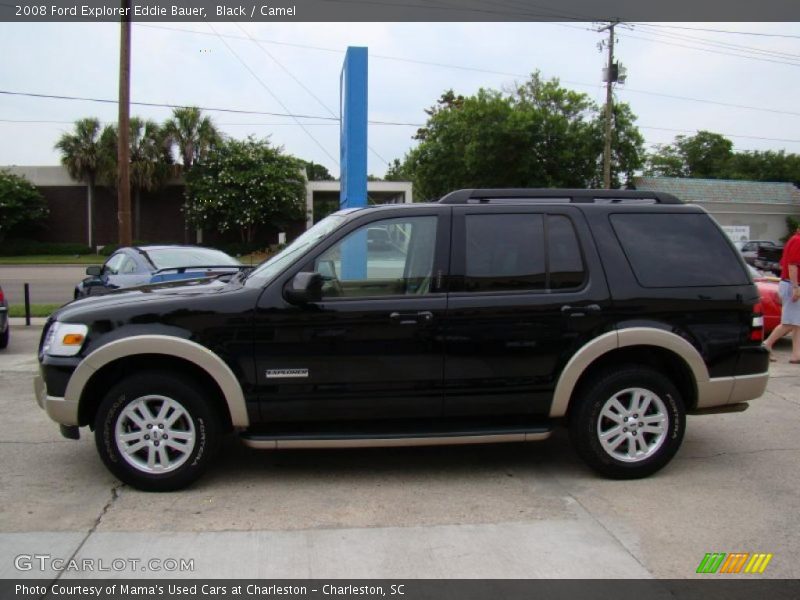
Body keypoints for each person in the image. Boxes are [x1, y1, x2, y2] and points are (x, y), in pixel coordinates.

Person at [763, 224, 800, 363]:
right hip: (792, 285)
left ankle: (797, 354)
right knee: (789, 322)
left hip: (790, 284)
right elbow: (792, 265)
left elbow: (784, 264)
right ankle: (766, 344)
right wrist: (796, 287)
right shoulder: (798, 241)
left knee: (797, 323)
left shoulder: (794, 240)